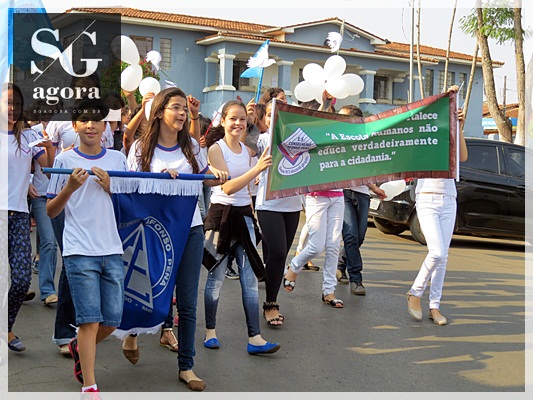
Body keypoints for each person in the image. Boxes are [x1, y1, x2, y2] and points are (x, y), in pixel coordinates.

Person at [123, 88, 227, 391]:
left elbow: (205, 176)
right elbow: (131, 189)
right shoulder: (141, 148)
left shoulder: (192, 146)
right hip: (152, 230)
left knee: (187, 301)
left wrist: (217, 175)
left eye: (184, 109)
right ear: (159, 111)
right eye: (176, 108)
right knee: (148, 290)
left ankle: (187, 366)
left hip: (190, 228)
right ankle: (131, 332)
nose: (182, 114)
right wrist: (159, 179)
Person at [46, 98, 128, 393]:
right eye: (84, 120)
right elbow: (51, 210)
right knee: (89, 320)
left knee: (112, 320)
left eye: (97, 120)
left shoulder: (118, 159)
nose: (91, 125)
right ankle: (90, 386)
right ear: (75, 125)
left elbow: (129, 204)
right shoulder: (64, 160)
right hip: (78, 250)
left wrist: (111, 187)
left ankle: (78, 346)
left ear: (106, 126)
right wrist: (69, 187)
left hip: (112, 249)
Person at [203, 100, 280, 355]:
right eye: (233, 119)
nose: (238, 123)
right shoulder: (216, 149)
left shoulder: (249, 151)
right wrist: (256, 169)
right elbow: (227, 187)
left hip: (245, 217)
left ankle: (255, 337)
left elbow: (250, 187)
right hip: (220, 218)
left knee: (249, 281)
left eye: (242, 119)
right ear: (223, 121)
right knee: (215, 279)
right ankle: (210, 331)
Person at [407, 86, 468, 326]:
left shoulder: (450, 136)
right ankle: (415, 292)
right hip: (427, 198)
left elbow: (462, 157)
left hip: (448, 198)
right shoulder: (423, 136)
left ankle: (434, 305)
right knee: (437, 252)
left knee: (444, 256)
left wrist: (459, 126)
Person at [2, 83, 54, 352]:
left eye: (17, 104)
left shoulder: (29, 137)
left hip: (19, 214)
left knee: (22, 279)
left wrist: (49, 147)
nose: (13, 108)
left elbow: (48, 167)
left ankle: (6, 325)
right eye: (8, 102)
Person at [256, 100, 302, 325]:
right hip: (268, 204)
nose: (274, 118)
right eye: (269, 114)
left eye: (280, 114)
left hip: (292, 205)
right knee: (277, 252)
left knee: (280, 255)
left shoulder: (301, 139)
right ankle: (270, 304)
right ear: (264, 119)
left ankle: (271, 294)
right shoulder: (264, 138)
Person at [335, 105, 387, 295]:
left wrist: (374, 188)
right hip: (343, 192)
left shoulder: (366, 141)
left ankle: (341, 265)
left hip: (362, 193)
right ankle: (356, 279)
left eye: (344, 118)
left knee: (359, 237)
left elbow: (365, 170)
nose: (339, 121)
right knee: (350, 235)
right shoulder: (335, 138)